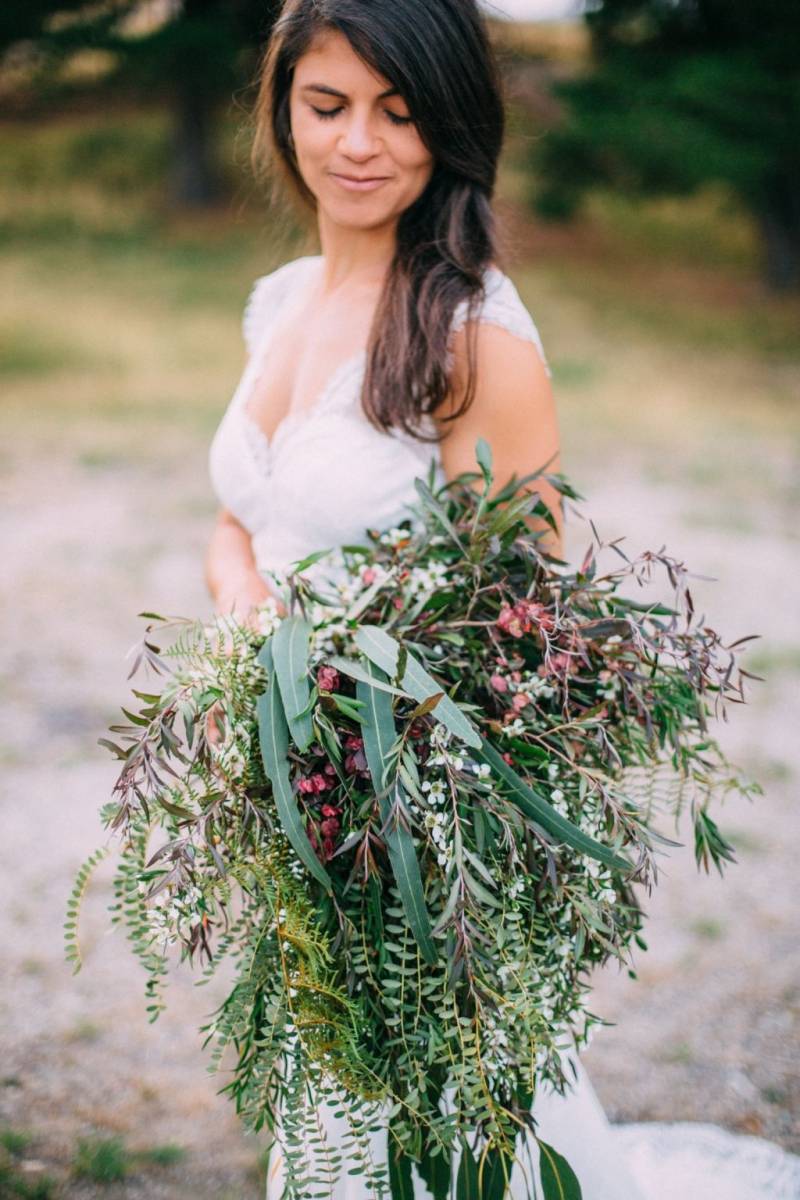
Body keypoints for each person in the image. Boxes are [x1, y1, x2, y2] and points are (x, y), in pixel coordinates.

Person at [205, 2, 800, 1198]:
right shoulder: (277, 304)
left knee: (436, 1123)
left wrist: (365, 765)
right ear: (282, 113)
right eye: (326, 107)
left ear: (452, 131)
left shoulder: (471, 337)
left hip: (413, 826)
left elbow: (520, 632)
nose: (358, 143)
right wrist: (253, 644)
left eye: (400, 112)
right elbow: (239, 525)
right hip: (290, 786)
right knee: (328, 1119)